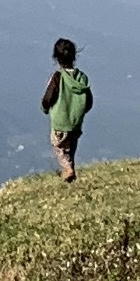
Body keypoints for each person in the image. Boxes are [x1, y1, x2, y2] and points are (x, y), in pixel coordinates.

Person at [40, 37, 93, 182]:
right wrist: (79, 113)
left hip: (60, 122)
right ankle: (70, 175)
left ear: (56, 58)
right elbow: (89, 101)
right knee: (71, 149)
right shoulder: (82, 78)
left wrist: (45, 108)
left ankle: (68, 169)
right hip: (75, 124)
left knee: (58, 147)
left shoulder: (58, 77)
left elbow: (48, 97)